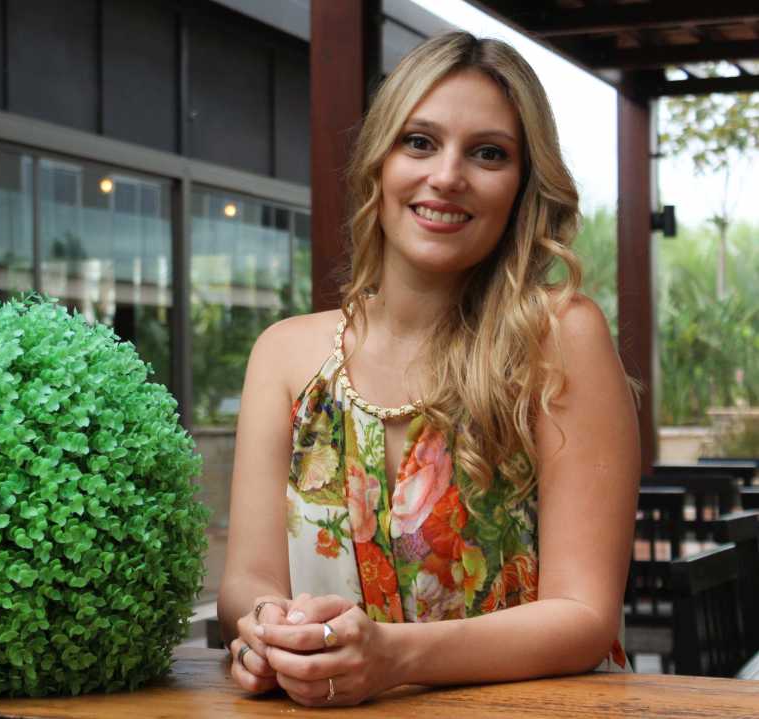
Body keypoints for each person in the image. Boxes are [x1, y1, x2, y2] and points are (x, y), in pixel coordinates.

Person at [216, 31, 640, 707]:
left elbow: (585, 614)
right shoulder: (284, 354)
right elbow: (246, 581)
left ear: (523, 186)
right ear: (379, 162)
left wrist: (392, 656)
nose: (447, 176)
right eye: (419, 142)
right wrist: (267, 631)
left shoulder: (559, 337)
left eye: (488, 153)